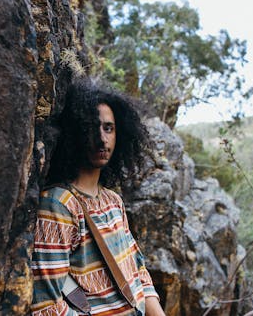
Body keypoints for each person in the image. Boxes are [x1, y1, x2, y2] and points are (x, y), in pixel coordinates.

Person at [31, 79, 166, 316]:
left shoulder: (113, 201)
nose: (102, 139)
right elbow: (47, 306)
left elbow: (138, 271)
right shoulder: (58, 205)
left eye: (108, 128)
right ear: (75, 134)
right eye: (90, 128)